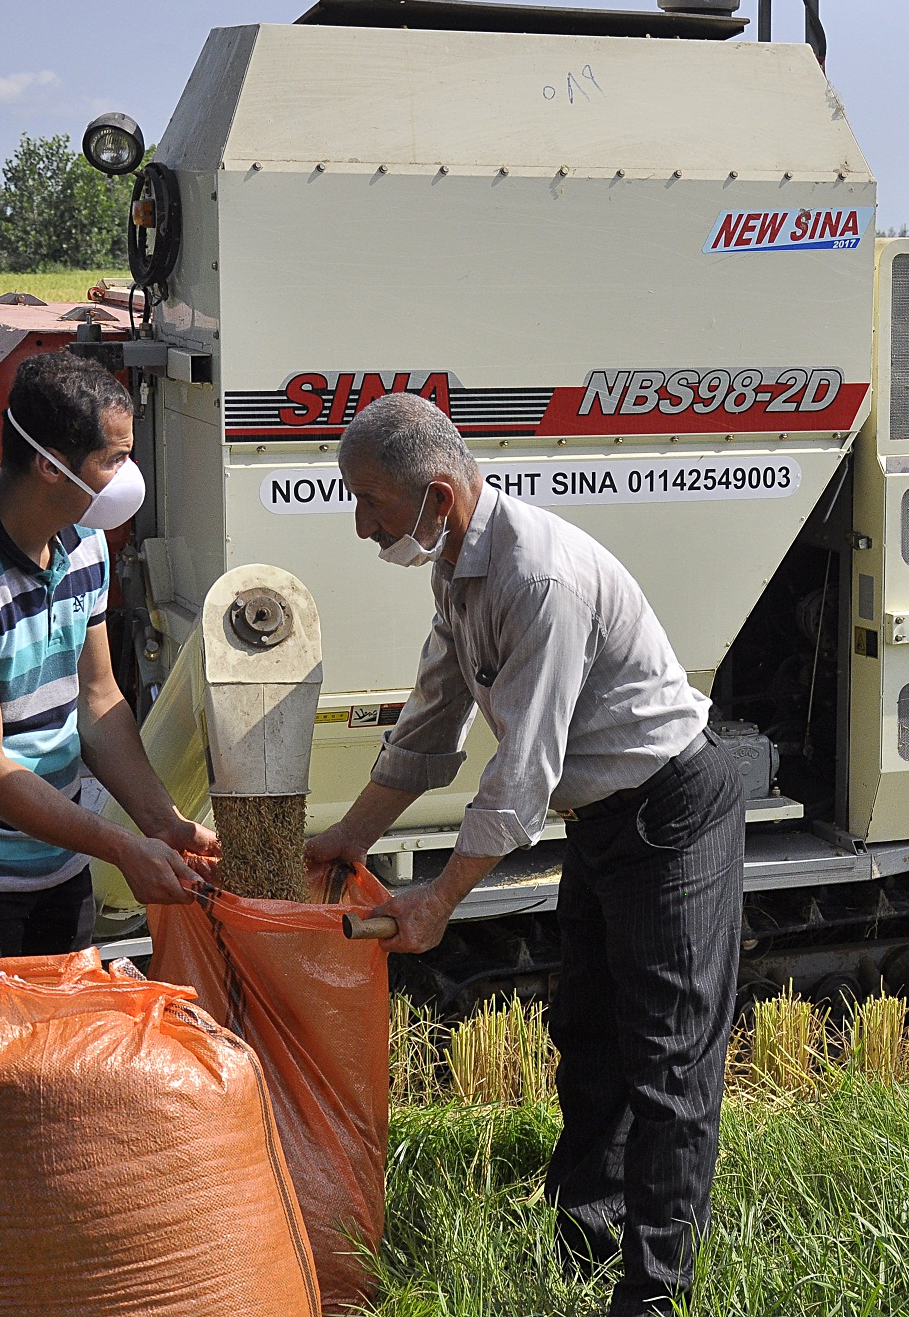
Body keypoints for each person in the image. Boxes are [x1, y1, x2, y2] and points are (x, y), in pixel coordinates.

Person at [308, 392, 743, 1317]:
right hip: (606, 824)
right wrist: (351, 834)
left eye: (371, 505)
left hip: (670, 816)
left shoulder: (540, 580)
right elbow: (431, 724)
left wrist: (439, 901)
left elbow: (524, 771)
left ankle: (652, 1295)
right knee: (586, 1039)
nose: (360, 526)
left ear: (436, 496)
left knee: (666, 1066)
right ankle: (585, 1245)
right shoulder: (458, 568)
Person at [0, 352, 217, 962]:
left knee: (58, 1046)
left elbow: (99, 702)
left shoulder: (84, 546)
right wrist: (120, 847)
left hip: (57, 850)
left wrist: (163, 824)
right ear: (50, 465)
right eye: (114, 459)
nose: (129, 474)